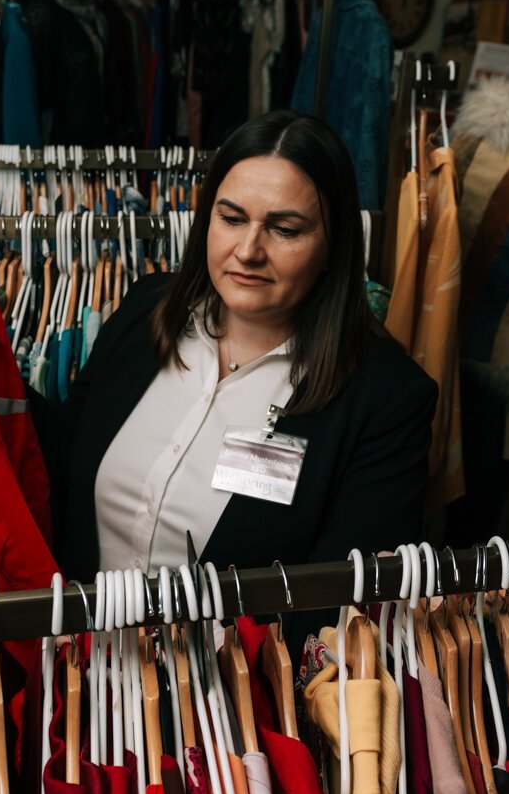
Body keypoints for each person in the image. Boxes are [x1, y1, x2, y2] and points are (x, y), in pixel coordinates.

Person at [33, 109, 436, 579]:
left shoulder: (386, 399)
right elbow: (66, 459)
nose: (248, 251)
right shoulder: (147, 308)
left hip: (233, 654)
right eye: (231, 218)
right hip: (81, 651)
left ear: (334, 246)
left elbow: (340, 609)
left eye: (284, 230)